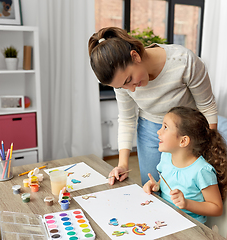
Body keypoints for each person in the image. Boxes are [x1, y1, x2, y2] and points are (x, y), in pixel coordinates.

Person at [88, 27, 218, 185]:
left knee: (187, 188)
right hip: (151, 129)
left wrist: (210, 149)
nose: (132, 89)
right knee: (152, 187)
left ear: (135, 56)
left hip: (187, 130)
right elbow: (127, 118)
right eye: (122, 87)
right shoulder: (122, 82)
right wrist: (122, 165)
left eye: (129, 80)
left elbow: (207, 107)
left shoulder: (184, 61)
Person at [143, 106, 227, 224]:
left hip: (190, 226)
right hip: (165, 218)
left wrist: (186, 203)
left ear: (183, 141)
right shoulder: (166, 156)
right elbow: (168, 182)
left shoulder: (202, 170)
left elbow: (217, 208)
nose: (159, 131)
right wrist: (157, 186)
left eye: (165, 127)